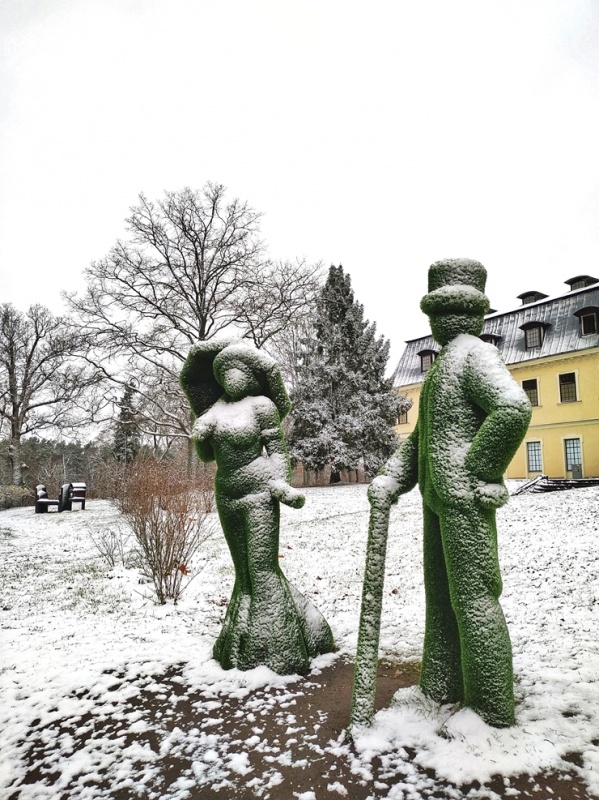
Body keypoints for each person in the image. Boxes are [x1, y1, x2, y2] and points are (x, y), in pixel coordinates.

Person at [370, 259, 531, 727]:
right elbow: (422, 438)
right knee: (441, 599)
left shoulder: (475, 354)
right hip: (437, 501)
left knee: (476, 599)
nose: (440, 321)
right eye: (436, 312)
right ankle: (440, 684)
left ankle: (490, 708)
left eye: (450, 311)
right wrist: (391, 478)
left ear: (473, 314)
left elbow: (512, 409)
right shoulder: (444, 366)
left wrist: (479, 470)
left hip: (461, 501)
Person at [180, 339, 333, 675]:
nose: (232, 377)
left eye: (240, 370)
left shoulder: (262, 406)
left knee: (261, 567)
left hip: (258, 490)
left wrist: (279, 482)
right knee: (244, 574)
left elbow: (278, 450)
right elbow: (209, 457)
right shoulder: (214, 411)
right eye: (226, 372)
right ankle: (242, 640)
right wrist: (199, 437)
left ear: (252, 375)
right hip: (227, 492)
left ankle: (280, 646)